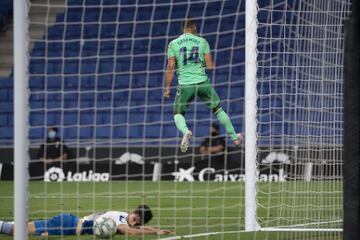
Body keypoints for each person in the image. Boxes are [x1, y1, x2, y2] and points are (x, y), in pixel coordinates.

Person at [164, 18, 242, 152]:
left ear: (182, 28)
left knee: (177, 113)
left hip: (185, 84)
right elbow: (210, 65)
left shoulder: (173, 44)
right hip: (202, 83)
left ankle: (186, 131)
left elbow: (170, 66)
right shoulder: (202, 41)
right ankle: (235, 138)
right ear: (194, 27)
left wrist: (167, 89)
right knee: (218, 109)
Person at [0, 204, 173, 236]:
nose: (134, 223)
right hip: (67, 224)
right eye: (135, 218)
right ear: (131, 212)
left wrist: (155, 230)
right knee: (18, 233)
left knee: (26, 230)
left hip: (68, 225)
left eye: (138, 223)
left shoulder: (123, 219)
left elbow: (132, 229)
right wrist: (154, 231)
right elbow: (130, 232)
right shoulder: (119, 217)